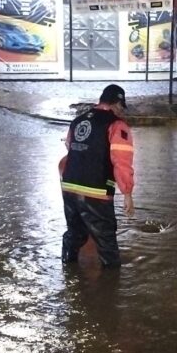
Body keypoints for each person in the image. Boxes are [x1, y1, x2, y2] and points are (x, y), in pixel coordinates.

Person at [60, 84, 135, 268]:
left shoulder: (77, 121)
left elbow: (70, 147)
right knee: (106, 243)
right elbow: (121, 162)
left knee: (75, 234)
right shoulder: (117, 125)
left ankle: (67, 270)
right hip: (97, 191)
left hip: (69, 187)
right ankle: (112, 283)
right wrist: (127, 193)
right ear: (117, 103)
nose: (121, 112)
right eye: (121, 107)